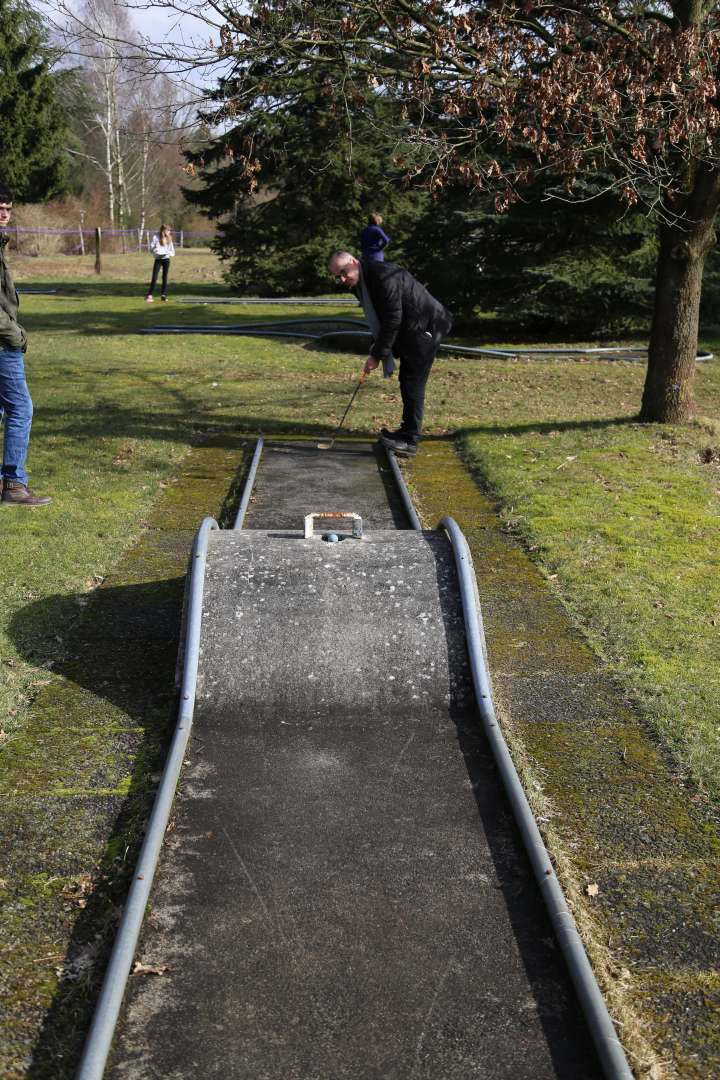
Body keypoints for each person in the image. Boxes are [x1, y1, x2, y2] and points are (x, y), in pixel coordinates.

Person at [328, 250, 452, 457]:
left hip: (427, 325)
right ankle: (405, 432)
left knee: (413, 382)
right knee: (407, 380)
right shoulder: (364, 281)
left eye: (343, 272)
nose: (342, 279)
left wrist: (377, 355)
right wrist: (376, 347)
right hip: (411, 328)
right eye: (337, 276)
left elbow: (392, 318)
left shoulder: (382, 276)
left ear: (353, 261)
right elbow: (380, 317)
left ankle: (410, 441)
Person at [0, 185, 51, 506]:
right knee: (21, 409)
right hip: (3, 343)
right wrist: (15, 335)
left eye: (8, 208)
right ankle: (14, 484)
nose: (4, 213)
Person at [146, 224, 175, 302]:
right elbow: (151, 249)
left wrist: (168, 253)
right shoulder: (156, 236)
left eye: (169, 231)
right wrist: (155, 249)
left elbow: (172, 252)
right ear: (163, 230)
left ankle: (163, 295)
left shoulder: (169, 238)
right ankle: (149, 295)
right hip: (158, 259)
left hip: (166, 259)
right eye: (168, 230)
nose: (169, 232)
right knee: (154, 277)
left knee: (164, 277)